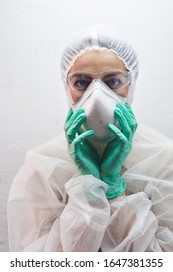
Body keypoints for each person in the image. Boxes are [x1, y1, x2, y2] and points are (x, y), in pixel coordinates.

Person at [7, 25, 173, 252]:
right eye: (81, 83)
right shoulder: (43, 166)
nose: (96, 95)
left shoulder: (164, 159)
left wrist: (114, 190)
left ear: (131, 83)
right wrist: (88, 190)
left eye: (113, 82)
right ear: (67, 87)